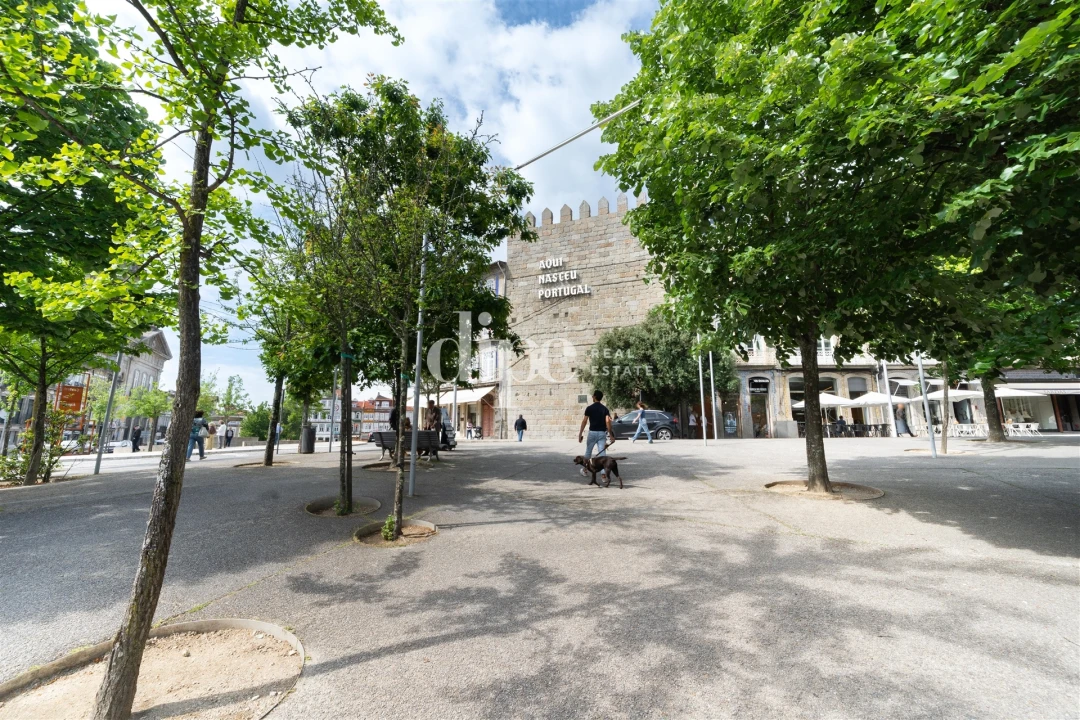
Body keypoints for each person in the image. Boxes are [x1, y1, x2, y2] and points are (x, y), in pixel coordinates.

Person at [578, 390, 614, 479]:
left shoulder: (589, 408)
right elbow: (607, 422)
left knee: (588, 452)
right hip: (602, 433)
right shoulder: (604, 409)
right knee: (602, 454)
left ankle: (585, 470)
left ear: (594, 397)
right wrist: (611, 435)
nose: (592, 397)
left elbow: (584, 421)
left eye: (592, 396)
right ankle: (603, 475)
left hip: (592, 433)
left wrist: (580, 433)